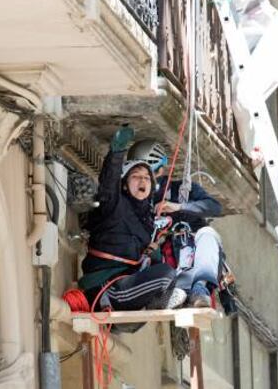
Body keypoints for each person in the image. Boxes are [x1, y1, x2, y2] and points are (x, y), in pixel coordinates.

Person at [78, 127, 186, 316]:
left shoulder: (148, 224)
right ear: (125, 185)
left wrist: (153, 255)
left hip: (126, 292)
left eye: (146, 178)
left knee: (173, 275)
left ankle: (160, 303)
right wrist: (117, 151)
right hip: (107, 291)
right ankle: (158, 303)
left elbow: (147, 266)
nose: (142, 180)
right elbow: (108, 184)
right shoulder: (115, 205)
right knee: (166, 275)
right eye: (135, 176)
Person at [127, 139, 235, 309]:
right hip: (159, 261)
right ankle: (167, 295)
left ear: (161, 170)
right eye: (138, 175)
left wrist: (179, 206)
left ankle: (199, 291)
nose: (145, 181)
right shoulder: (135, 200)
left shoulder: (181, 190)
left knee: (208, 234)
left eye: (150, 174)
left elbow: (214, 207)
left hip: (189, 253)